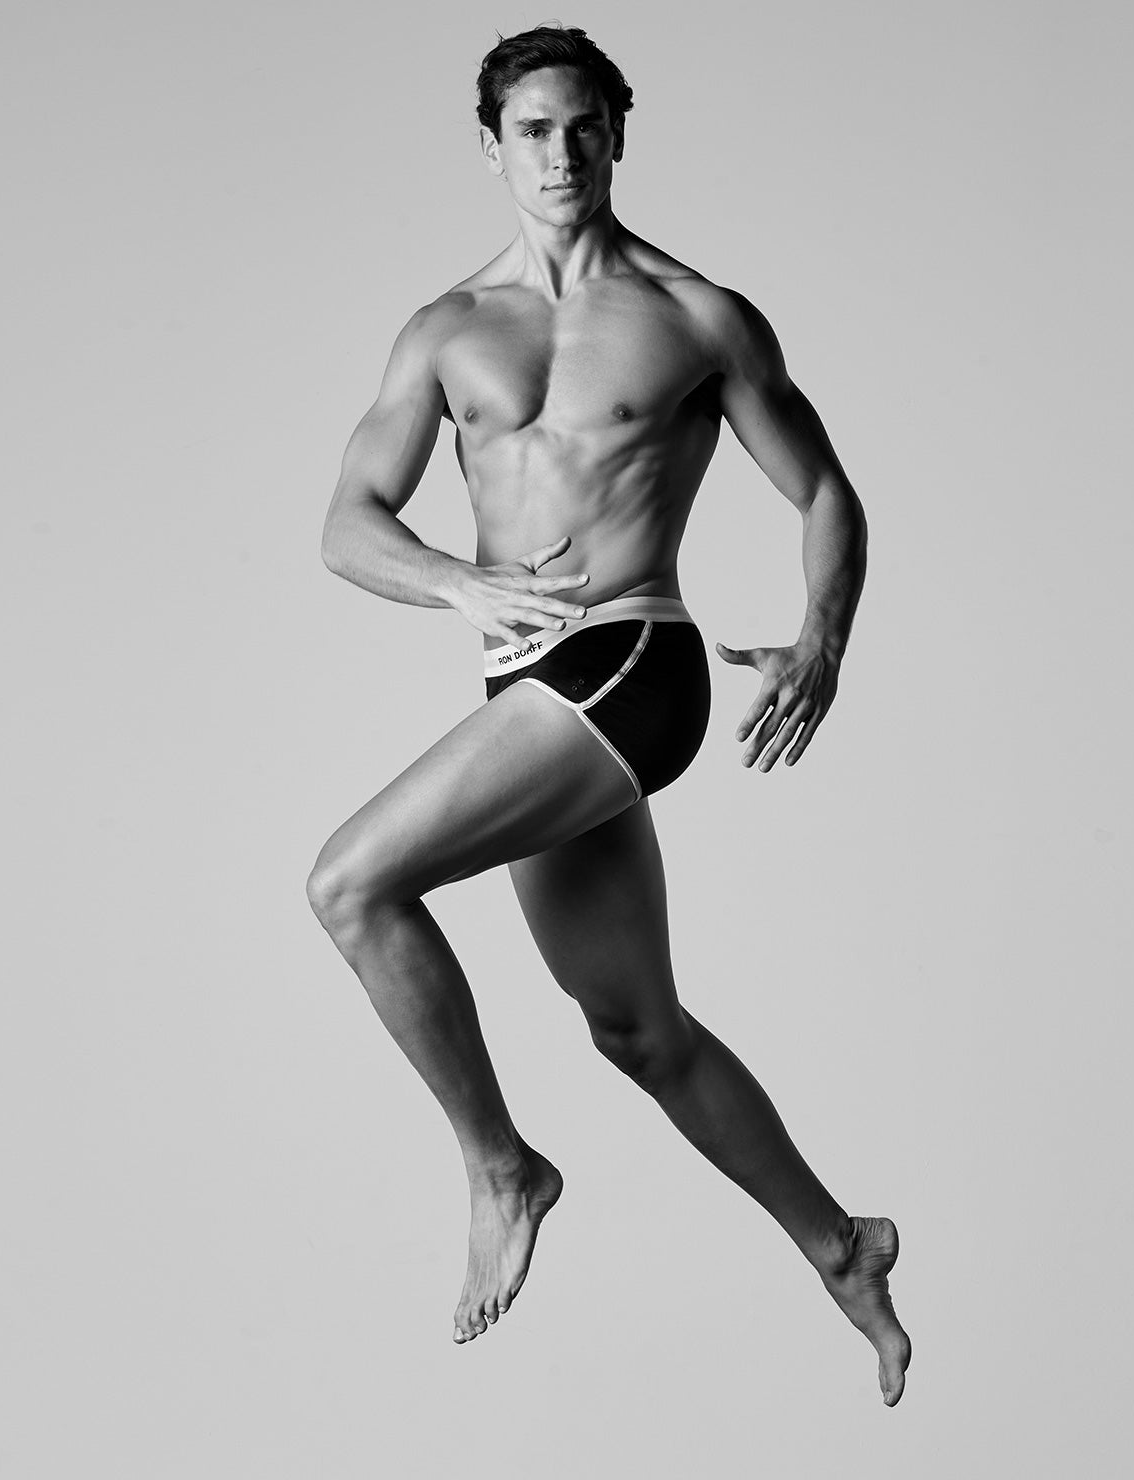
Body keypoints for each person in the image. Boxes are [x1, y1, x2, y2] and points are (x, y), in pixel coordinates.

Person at [307, 24, 911, 1405]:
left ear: (618, 136)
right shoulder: (445, 331)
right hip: (527, 690)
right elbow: (347, 524)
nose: (562, 154)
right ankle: (845, 1248)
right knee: (637, 1031)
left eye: (585, 127)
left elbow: (825, 490)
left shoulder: (699, 316)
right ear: (492, 146)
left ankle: (502, 1168)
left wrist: (823, 637)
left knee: (350, 883)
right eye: (534, 131)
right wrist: (459, 581)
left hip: (635, 664)